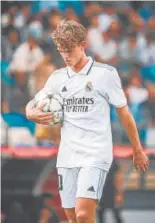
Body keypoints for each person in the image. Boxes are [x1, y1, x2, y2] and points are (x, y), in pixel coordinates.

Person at [26, 20, 149, 223]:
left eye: (69, 49)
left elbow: (124, 113)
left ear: (83, 44)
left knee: (84, 215)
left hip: (95, 153)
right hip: (67, 155)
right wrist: (31, 113)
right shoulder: (57, 78)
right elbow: (33, 103)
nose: (65, 55)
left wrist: (137, 149)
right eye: (61, 50)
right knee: (72, 217)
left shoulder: (105, 74)